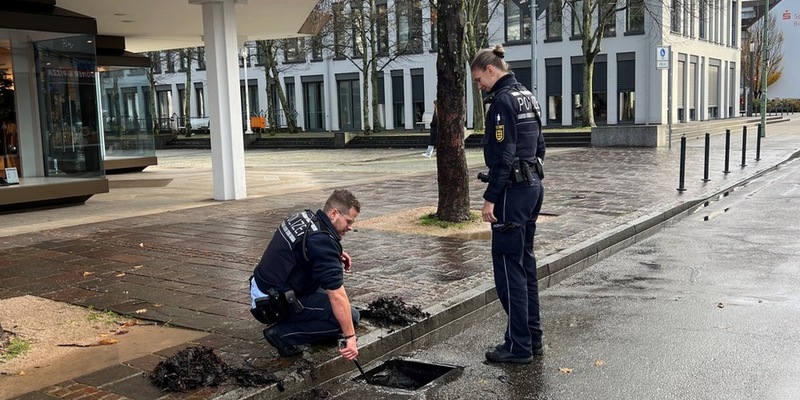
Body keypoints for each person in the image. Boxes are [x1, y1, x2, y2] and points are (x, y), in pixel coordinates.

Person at [471, 44, 546, 364]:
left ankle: (518, 346)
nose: (479, 87)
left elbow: (503, 157)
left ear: (491, 69)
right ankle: (532, 337)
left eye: (478, 80)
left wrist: (490, 199)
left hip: (512, 193)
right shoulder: (527, 95)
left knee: (508, 271)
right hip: (532, 186)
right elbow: (541, 145)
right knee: (525, 266)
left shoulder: (502, 102)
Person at [250, 189, 361, 361]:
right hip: (272, 303)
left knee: (339, 309)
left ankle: (307, 326)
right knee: (350, 317)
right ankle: (282, 335)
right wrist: (350, 338)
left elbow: (299, 249)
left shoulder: (305, 217)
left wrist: (334, 255)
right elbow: (337, 295)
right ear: (334, 213)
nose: (350, 227)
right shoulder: (321, 242)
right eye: (348, 221)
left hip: (262, 286)